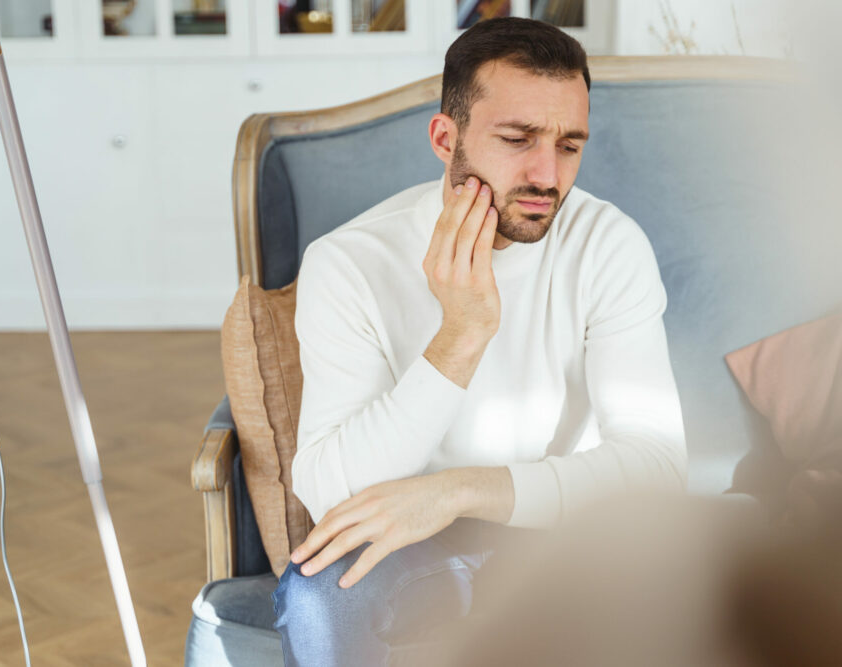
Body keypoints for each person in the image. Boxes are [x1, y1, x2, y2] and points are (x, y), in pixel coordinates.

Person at [272, 16, 687, 666]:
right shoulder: (350, 262)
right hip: (414, 545)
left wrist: (458, 489)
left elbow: (658, 465)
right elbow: (329, 492)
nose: (548, 176)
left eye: (570, 145)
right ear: (446, 137)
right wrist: (460, 337)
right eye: (518, 139)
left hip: (566, 529)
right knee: (322, 593)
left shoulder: (607, 244)